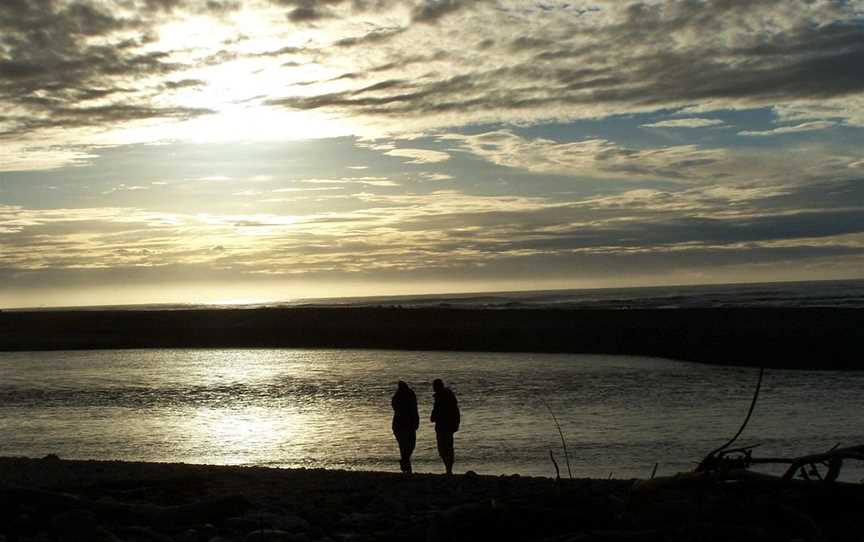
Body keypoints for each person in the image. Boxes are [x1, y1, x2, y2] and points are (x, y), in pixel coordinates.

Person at [430, 378, 460, 474]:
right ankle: (448, 469)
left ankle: (448, 469)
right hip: (446, 425)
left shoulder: (442, 397)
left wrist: (433, 417)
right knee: (446, 448)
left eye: (434, 386)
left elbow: (439, 411)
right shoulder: (445, 396)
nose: (433, 388)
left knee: (444, 448)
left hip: (444, 426)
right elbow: (455, 412)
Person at [391, 380, 419, 474]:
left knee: (404, 446)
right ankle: (405, 463)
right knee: (409, 445)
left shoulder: (398, 397)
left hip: (400, 425)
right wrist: (416, 421)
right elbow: (414, 409)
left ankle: (405, 463)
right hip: (406, 424)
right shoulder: (407, 395)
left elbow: (414, 409)